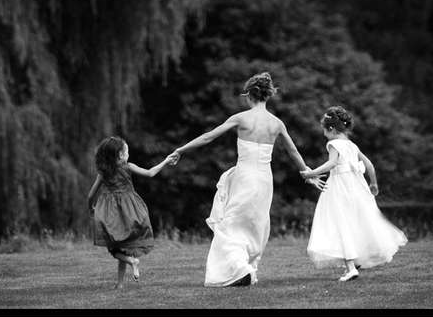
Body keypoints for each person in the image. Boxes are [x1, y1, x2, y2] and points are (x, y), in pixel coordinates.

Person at [170, 71, 323, 287]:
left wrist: (181, 149)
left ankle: (240, 268)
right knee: (255, 223)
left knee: (231, 223)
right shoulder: (276, 123)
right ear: (267, 96)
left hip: (245, 176)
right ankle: (246, 266)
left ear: (249, 95)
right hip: (264, 180)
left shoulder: (241, 118)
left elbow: (208, 136)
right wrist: (308, 174)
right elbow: (294, 153)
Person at [299, 105, 407, 282]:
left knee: (340, 223)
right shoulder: (352, 145)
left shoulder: (333, 143)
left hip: (339, 188)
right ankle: (356, 261)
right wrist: (373, 184)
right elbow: (370, 165)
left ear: (331, 128)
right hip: (356, 188)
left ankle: (350, 268)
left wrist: (312, 173)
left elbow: (331, 164)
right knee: (354, 222)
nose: (324, 134)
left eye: (324, 130)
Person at [86, 136, 178, 289]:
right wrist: (166, 161)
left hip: (112, 213)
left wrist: (91, 208)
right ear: (120, 155)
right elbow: (150, 173)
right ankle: (121, 283)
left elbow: (90, 195)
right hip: (130, 209)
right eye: (127, 151)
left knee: (115, 247)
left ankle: (130, 264)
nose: (128, 154)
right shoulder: (128, 167)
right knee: (123, 246)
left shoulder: (103, 173)